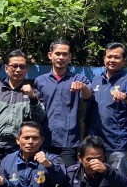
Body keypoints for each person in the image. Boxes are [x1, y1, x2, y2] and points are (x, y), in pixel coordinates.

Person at [0, 49, 45, 173]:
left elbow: (39, 119)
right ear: (6, 68)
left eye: (22, 67)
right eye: (14, 66)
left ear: (26, 70)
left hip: (18, 149)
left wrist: (32, 97)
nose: (18, 70)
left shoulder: (33, 93)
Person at [34, 39, 92, 168]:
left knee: (67, 176)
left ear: (70, 57)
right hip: (45, 139)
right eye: (58, 53)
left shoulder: (78, 79)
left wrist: (83, 87)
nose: (61, 57)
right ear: (50, 55)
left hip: (69, 141)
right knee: (44, 176)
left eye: (65, 54)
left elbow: (88, 96)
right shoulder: (40, 81)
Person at [85, 42, 127, 173]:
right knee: (94, 180)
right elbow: (89, 110)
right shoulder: (96, 80)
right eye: (109, 57)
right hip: (95, 143)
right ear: (104, 58)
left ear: (124, 61)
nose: (112, 60)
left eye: (117, 57)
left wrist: (124, 96)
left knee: (116, 180)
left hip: (116, 145)